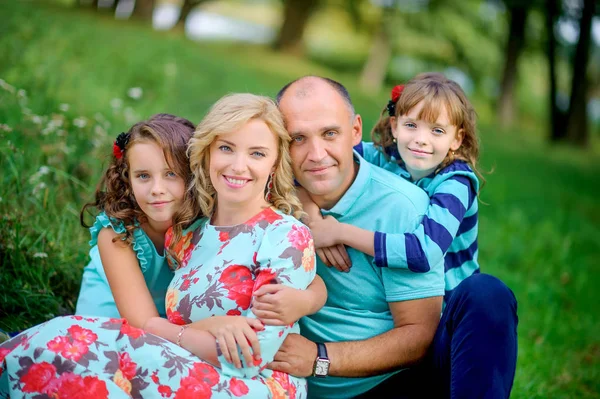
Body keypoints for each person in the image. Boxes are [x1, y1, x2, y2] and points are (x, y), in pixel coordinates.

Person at [0, 94, 319, 398]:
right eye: (226, 148)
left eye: (257, 153)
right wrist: (207, 327)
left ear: (275, 165)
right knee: (64, 350)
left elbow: (250, 354)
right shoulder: (188, 235)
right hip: (170, 351)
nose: (237, 165)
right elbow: (159, 322)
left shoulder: (284, 236)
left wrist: (308, 298)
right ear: (206, 155)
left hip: (248, 382)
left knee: (81, 358)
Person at [269, 76, 518, 399]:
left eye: (330, 133)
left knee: (486, 295)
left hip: (426, 346)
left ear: (353, 131)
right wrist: (308, 212)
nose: (317, 153)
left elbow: (424, 250)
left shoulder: (445, 186)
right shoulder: (262, 185)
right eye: (297, 138)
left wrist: (339, 231)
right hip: (287, 383)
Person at [304, 72, 482, 303]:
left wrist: (339, 233)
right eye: (411, 125)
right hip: (395, 295)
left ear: (456, 139)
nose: (421, 139)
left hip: (449, 308)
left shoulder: (456, 182)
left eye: (437, 130)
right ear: (395, 127)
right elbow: (315, 167)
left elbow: (423, 252)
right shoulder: (381, 156)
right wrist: (312, 218)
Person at [75, 113, 200, 320]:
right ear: (128, 178)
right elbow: (143, 324)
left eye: (171, 174)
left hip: (174, 316)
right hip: (113, 309)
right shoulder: (116, 234)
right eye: (143, 176)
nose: (157, 189)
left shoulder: (207, 225)